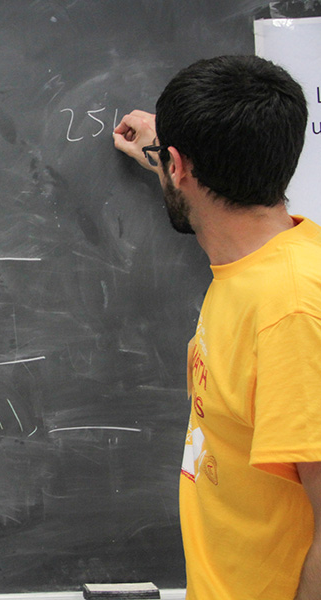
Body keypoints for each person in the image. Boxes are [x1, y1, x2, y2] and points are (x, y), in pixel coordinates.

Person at [113, 55, 321, 599]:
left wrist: (180, 156)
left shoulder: (290, 312)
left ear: (178, 167)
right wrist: (167, 151)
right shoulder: (277, 257)